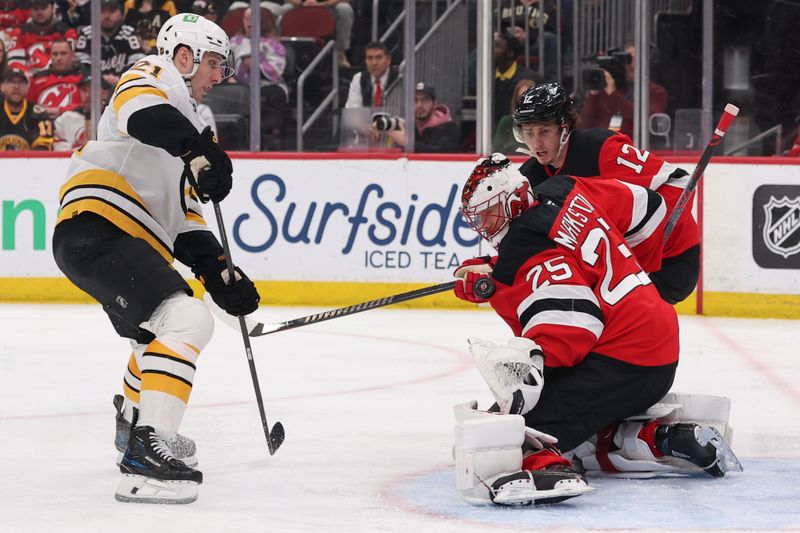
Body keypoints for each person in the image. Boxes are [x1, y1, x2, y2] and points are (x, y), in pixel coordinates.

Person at [52, 13, 261, 504]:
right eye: (212, 63)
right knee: (187, 319)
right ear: (183, 56)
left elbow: (185, 219)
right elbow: (140, 112)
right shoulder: (154, 74)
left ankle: (132, 421)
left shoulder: (188, 123)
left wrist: (219, 272)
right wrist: (196, 147)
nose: (217, 75)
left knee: (153, 337)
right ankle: (146, 456)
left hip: (114, 237)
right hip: (100, 225)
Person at [451, 154, 740, 506]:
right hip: (656, 343)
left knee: (506, 430)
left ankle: (546, 465)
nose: (485, 226)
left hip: (623, 359)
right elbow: (646, 206)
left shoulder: (523, 250)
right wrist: (637, 264)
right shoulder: (566, 188)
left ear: (512, 200)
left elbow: (574, 325)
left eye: (489, 214)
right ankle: (653, 438)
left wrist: (530, 379)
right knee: (576, 419)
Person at [514, 82, 699, 304]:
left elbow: (679, 185)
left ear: (564, 128)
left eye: (544, 131)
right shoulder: (530, 178)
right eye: (528, 132)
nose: (536, 143)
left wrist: (643, 243)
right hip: (612, 272)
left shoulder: (601, 150)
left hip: (670, 263)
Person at [579, 43, 667, 138]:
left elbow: (647, 119)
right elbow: (586, 124)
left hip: (633, 147)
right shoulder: (608, 88)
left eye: (635, 57)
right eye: (628, 57)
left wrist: (613, 95)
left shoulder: (656, 91)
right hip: (604, 145)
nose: (630, 62)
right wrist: (594, 94)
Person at [229, 6, 286, 149]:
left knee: (275, 94)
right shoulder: (234, 42)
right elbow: (225, 64)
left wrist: (257, 65)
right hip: (239, 86)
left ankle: (271, 136)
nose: (249, 22)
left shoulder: (272, 43)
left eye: (253, 18)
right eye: (246, 18)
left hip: (266, 85)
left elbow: (278, 66)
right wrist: (230, 77)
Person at [74, 0, 145, 88]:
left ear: (121, 14)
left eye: (111, 12)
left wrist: (121, 78)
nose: (107, 16)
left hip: (123, 86)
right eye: (102, 12)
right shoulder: (86, 34)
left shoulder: (129, 33)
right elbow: (80, 64)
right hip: (92, 87)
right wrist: (100, 80)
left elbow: (138, 62)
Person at [385, 82, 460, 153]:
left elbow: (444, 153)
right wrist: (378, 125)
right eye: (415, 100)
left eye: (425, 100)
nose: (419, 105)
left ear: (434, 104)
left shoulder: (449, 128)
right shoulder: (409, 126)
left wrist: (408, 143)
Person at [6, 0, 77, 72]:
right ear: (30, 10)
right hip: (27, 78)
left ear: (53, 8)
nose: (39, 12)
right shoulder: (19, 32)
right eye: (36, 8)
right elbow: (15, 62)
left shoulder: (67, 32)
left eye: (43, 7)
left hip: (56, 77)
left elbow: (68, 62)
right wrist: (25, 75)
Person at [27, 38, 86, 118]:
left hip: (73, 123)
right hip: (41, 124)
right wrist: (41, 110)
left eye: (63, 53)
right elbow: (28, 106)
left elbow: (88, 106)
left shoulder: (84, 78)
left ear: (72, 56)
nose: (59, 58)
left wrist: (60, 110)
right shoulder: (37, 79)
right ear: (50, 56)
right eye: (55, 54)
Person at [284, 0, 354, 68]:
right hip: (300, 6)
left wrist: (320, 4)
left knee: (344, 9)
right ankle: (282, 52)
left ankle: (340, 53)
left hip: (329, 7)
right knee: (285, 9)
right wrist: (302, 3)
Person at [493, 31, 540, 132]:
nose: (491, 50)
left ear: (510, 53)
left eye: (497, 46)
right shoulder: (485, 79)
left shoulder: (530, 78)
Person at [0, 67, 54, 150]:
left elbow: (43, 149)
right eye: (11, 82)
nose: (16, 87)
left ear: (27, 87)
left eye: (21, 82)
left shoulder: (39, 114)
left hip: (29, 162)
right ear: (2, 87)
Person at [53, 75, 111, 151]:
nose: (88, 95)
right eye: (84, 90)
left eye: (93, 90)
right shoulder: (66, 118)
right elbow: (57, 145)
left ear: (105, 94)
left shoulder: (112, 118)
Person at [344, 40, 397, 109]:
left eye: (378, 57)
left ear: (388, 60)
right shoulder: (359, 78)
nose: (374, 63)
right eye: (369, 58)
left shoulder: (399, 78)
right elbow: (353, 109)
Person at [492, 78, 535, 155]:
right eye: (520, 98)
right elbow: (498, 150)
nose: (524, 102)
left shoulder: (542, 124)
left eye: (528, 98)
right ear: (515, 100)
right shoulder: (506, 122)